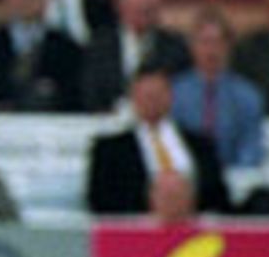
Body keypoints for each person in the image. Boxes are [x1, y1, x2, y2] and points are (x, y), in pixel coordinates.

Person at [86, 64, 230, 217]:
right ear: (133, 98)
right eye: (147, 95)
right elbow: (101, 202)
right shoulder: (110, 150)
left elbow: (219, 197)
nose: (153, 101)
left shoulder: (201, 144)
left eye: (158, 95)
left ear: (171, 96)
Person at [82, 0, 191, 113]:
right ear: (120, 7)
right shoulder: (98, 46)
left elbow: (181, 91)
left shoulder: (175, 47)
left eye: (147, 9)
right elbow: (89, 92)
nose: (141, 17)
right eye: (135, 8)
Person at [170, 6, 264, 168]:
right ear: (192, 46)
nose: (211, 50)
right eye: (204, 42)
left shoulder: (248, 95)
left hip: (234, 176)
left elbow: (252, 145)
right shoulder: (174, 92)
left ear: (229, 46)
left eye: (218, 42)